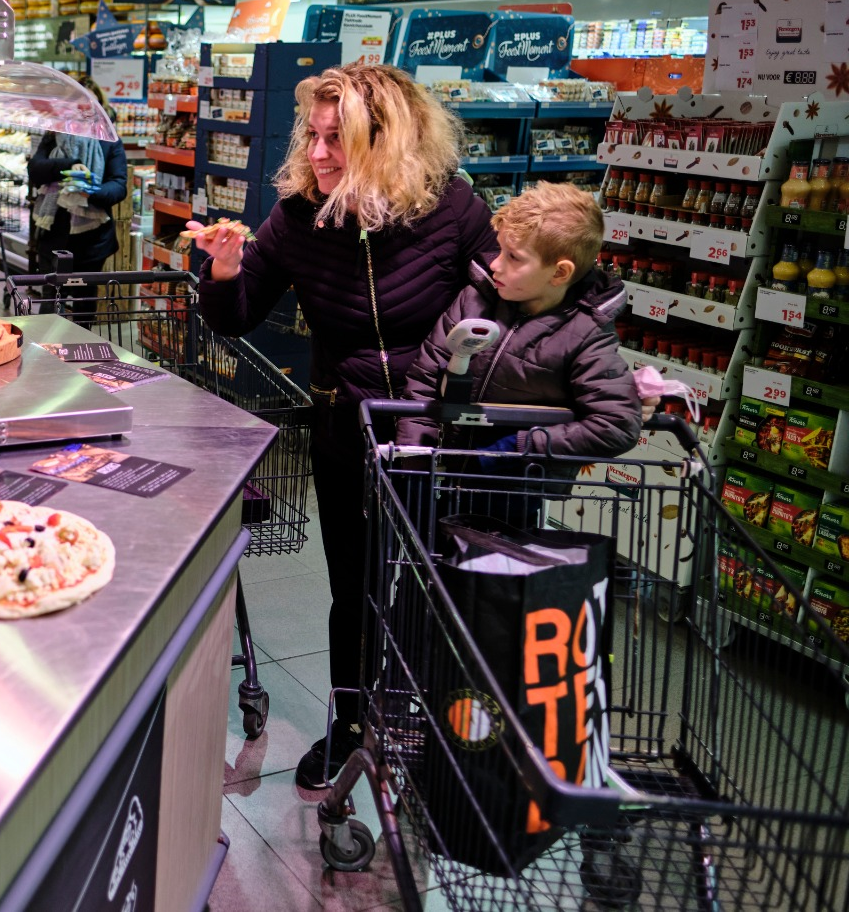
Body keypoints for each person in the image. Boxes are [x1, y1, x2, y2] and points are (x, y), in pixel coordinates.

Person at [189, 62, 496, 789]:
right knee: (354, 590)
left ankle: (438, 726)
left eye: (341, 139)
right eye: (315, 136)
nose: (319, 154)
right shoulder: (298, 216)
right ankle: (351, 725)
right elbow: (234, 320)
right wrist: (226, 270)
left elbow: (511, 300)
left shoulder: (453, 209)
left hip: (440, 437)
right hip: (346, 434)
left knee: (436, 590)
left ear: (391, 143)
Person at [396, 181, 641, 501]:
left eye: (513, 257)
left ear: (559, 273)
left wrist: (523, 446)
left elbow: (618, 424)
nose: (496, 263)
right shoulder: (475, 299)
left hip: (518, 493)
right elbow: (424, 378)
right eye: (499, 249)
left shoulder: (586, 336)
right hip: (449, 475)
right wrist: (414, 457)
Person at [27, 79, 128, 322]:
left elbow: (119, 186)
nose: (82, 107)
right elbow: (35, 171)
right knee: (51, 299)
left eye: (88, 102)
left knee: (84, 302)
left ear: (98, 107)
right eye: (76, 101)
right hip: (53, 233)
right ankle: (46, 354)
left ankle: (82, 354)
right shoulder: (53, 136)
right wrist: (69, 165)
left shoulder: (109, 141)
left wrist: (90, 191)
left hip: (92, 239)